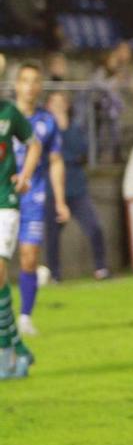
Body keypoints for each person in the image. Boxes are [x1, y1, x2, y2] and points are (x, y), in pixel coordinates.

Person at [13, 63, 68, 337]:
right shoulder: (5, 117)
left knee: (29, 257)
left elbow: (56, 162)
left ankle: (24, 317)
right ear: (16, 85)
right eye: (25, 81)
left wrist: (59, 200)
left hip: (34, 196)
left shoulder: (47, 122)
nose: (30, 87)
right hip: (5, 195)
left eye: (35, 81)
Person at [0, 54, 43, 379]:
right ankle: (19, 348)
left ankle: (5, 355)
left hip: (6, 201)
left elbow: (34, 145)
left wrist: (25, 176)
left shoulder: (8, 113)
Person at [43, 92, 109, 282]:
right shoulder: (44, 130)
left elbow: (81, 150)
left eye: (61, 102)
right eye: (53, 102)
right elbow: (48, 156)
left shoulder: (75, 128)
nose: (57, 106)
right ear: (47, 106)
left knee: (95, 227)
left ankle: (101, 267)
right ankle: (55, 274)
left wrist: (64, 128)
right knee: (52, 236)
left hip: (77, 187)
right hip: (53, 189)